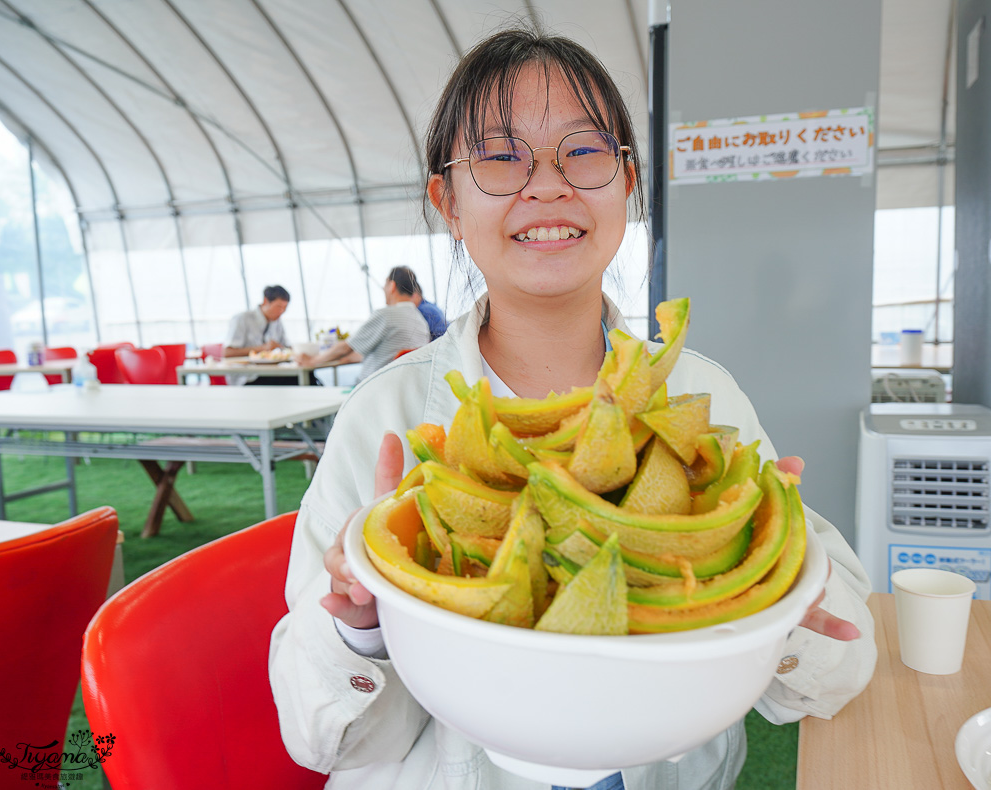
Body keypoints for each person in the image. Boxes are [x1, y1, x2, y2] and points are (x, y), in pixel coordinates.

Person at [269, 28, 876, 790]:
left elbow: (840, 670)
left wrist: (778, 589)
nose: (547, 184)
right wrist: (360, 625)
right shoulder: (383, 419)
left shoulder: (702, 400)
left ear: (627, 183)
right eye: (500, 154)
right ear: (447, 200)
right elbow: (324, 740)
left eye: (585, 151)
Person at [295, 267, 431, 383]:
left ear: (392, 286)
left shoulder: (386, 315)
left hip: (371, 387)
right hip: (400, 386)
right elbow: (389, 352)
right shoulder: (420, 319)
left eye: (385, 284)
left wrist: (313, 361)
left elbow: (346, 348)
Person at [224, 284, 293, 385]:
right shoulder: (242, 319)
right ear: (265, 301)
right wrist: (263, 348)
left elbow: (286, 346)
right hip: (248, 377)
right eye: (278, 307)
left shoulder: (277, 322)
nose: (281, 312)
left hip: (271, 372)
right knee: (291, 381)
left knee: (307, 378)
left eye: (284, 308)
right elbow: (227, 353)